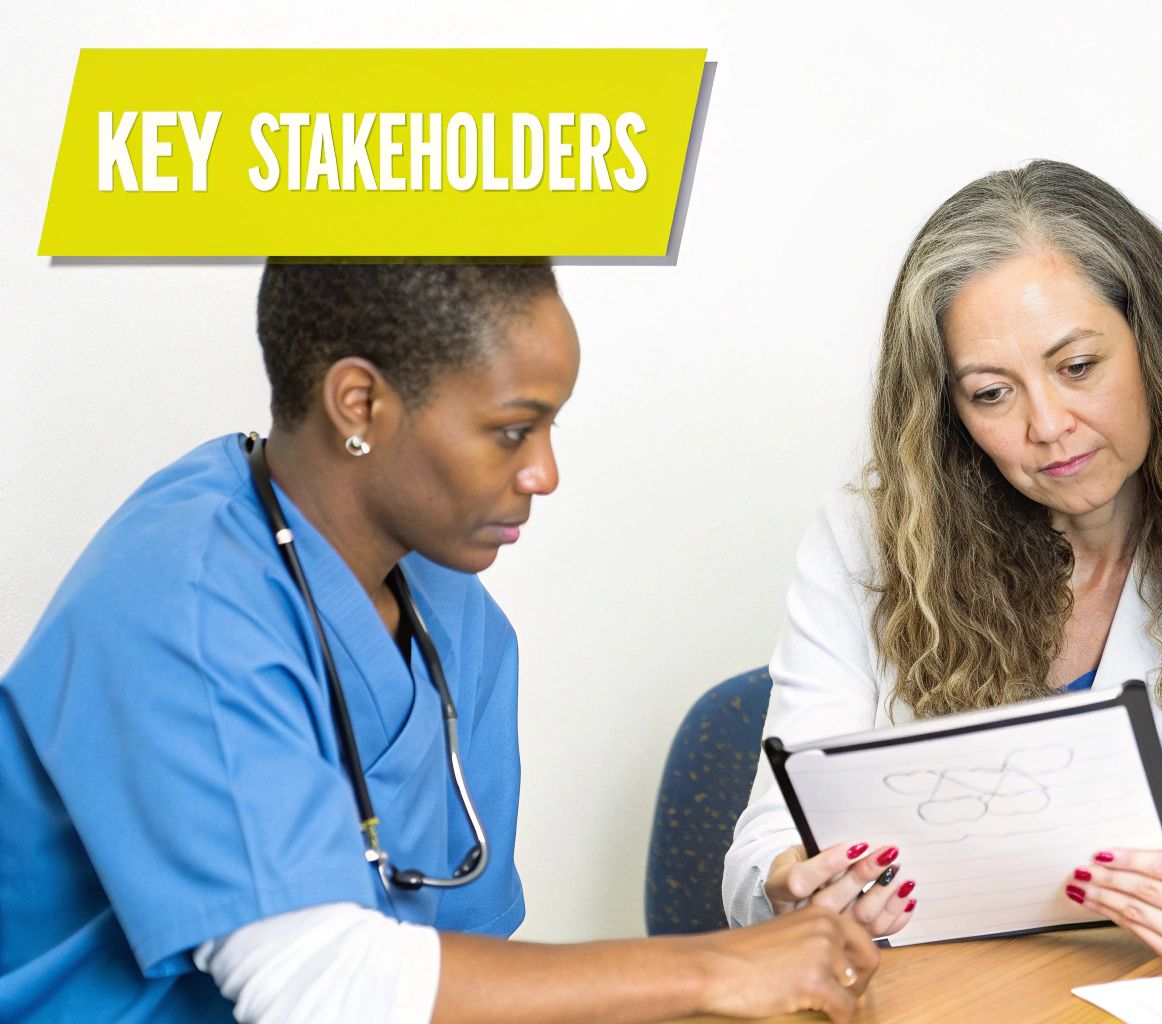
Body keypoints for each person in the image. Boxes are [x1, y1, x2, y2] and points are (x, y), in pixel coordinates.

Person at [0, 262, 878, 1023]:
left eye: (550, 430)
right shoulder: (183, 600)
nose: (544, 474)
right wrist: (715, 967)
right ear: (360, 403)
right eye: (510, 431)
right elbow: (319, 987)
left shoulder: (453, 614)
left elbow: (460, 961)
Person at [723, 160, 1162, 962]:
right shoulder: (866, 539)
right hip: (922, 995)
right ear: (950, 411)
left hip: (1123, 988)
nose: (1047, 425)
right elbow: (768, 837)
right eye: (992, 393)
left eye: (1077, 368)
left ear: (1156, 347)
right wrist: (792, 878)